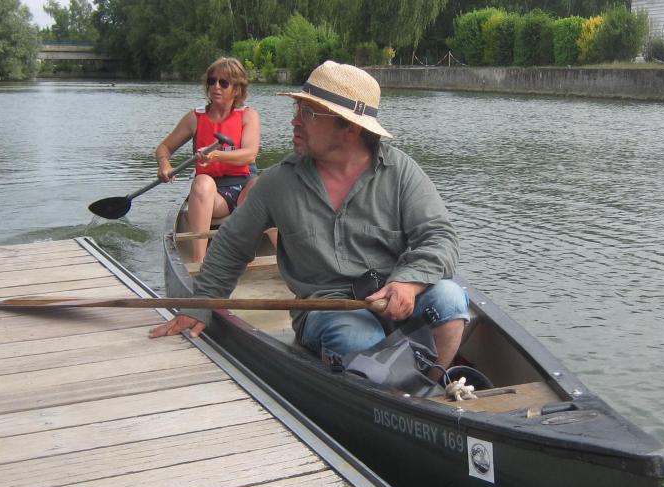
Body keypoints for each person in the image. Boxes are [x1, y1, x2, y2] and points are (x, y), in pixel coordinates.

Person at [149, 61, 467, 373]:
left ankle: (430, 387)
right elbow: (232, 246)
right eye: (297, 110)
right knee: (359, 336)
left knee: (451, 299)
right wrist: (198, 307)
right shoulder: (278, 183)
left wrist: (408, 284)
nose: (295, 122)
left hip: (396, 293)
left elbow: (439, 237)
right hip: (327, 308)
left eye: (309, 114)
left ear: (350, 128)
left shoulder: (400, 172)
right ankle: (383, 390)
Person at [155, 57, 261, 264]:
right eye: (212, 81)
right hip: (214, 197)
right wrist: (165, 165)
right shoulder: (195, 118)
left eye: (224, 83)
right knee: (202, 182)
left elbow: (249, 155)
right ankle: (199, 262)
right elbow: (163, 148)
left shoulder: (248, 116)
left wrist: (216, 155)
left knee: (265, 186)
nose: (216, 87)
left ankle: (288, 267)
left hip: (245, 191)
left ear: (237, 89)